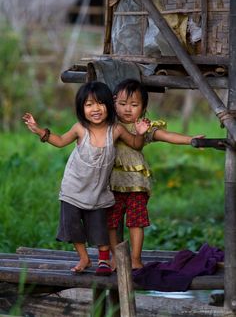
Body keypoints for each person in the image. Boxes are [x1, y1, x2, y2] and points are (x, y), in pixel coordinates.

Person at [22, 81, 150, 276]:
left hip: (98, 190)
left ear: (109, 104)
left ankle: (103, 261)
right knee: (72, 224)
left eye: (100, 103)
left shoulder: (115, 130)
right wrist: (40, 131)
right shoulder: (80, 129)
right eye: (89, 105)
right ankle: (83, 257)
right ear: (82, 108)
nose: (95, 109)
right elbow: (60, 141)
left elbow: (135, 144)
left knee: (100, 225)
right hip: (73, 188)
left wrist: (140, 134)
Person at [107, 79, 204, 270]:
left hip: (137, 184)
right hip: (112, 184)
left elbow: (167, 136)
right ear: (113, 103)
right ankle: (115, 257)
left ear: (143, 108)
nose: (128, 109)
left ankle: (135, 258)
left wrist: (190, 140)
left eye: (134, 105)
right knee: (111, 222)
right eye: (123, 104)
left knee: (136, 223)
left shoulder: (142, 127)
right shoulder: (109, 125)